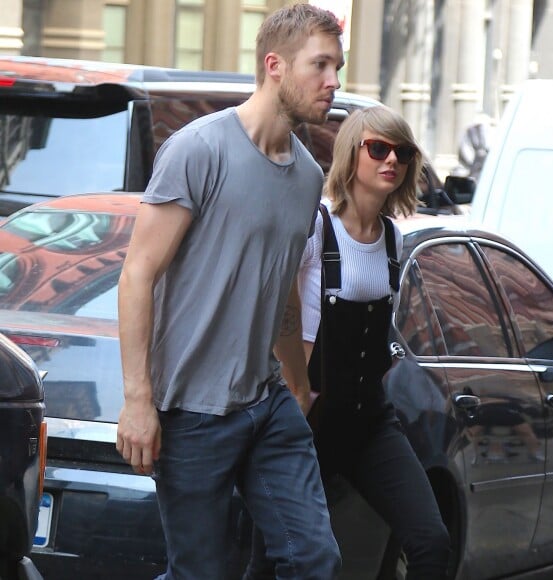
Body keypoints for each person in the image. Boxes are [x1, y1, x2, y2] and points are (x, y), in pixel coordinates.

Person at [115, 4, 345, 579]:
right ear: (275, 65)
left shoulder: (309, 177)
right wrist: (138, 400)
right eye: (320, 66)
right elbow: (137, 274)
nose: (334, 82)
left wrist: (297, 381)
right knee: (199, 573)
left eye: (337, 67)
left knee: (313, 557)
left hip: (266, 402)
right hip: (191, 411)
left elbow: (284, 289)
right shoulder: (200, 150)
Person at [244, 105, 451, 580]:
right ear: (350, 155)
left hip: (369, 422)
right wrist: (295, 388)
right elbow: (276, 304)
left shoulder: (394, 240)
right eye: (378, 148)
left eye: (402, 152)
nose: (390, 160)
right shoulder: (317, 226)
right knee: (271, 560)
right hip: (306, 421)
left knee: (430, 541)